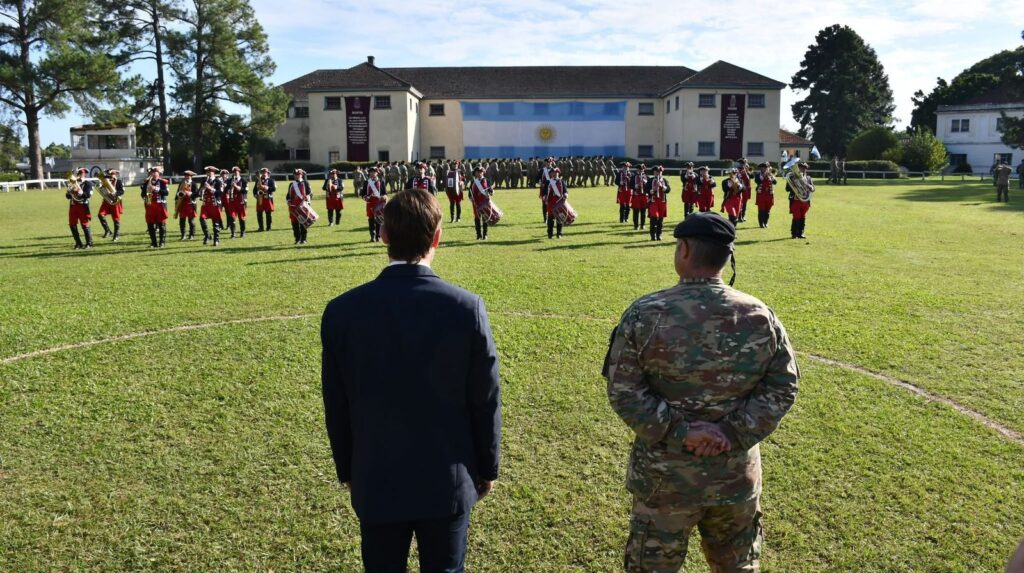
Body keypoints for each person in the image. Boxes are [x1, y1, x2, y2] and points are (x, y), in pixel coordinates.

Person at [603, 212, 799, 573]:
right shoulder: (759, 315)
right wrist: (732, 433)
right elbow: (783, 386)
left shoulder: (645, 314)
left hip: (664, 480)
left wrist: (680, 432)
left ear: (684, 249)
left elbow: (624, 390)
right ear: (727, 257)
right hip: (735, 477)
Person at [321, 189, 501, 573]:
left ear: (383, 234)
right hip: (447, 479)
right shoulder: (465, 308)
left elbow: (336, 404)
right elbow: (484, 399)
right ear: (437, 237)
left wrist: (349, 471)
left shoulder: (342, 312)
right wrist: (487, 468)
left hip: (376, 476)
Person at [66, 167, 94, 250]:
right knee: (72, 225)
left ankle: (89, 243)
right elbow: (67, 196)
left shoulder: (88, 183)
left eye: (81, 173)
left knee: (85, 225)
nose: (78, 175)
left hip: (82, 206)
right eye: (77, 174)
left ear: (84, 174)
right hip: (73, 205)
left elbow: (88, 195)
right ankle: (78, 243)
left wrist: (80, 192)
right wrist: (69, 192)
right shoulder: (72, 183)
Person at [141, 166, 169, 248]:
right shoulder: (147, 182)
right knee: (150, 225)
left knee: (161, 224)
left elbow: (166, 193)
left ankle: (162, 243)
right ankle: (154, 243)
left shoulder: (163, 182)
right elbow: (142, 194)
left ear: (158, 174)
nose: (154, 174)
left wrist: (155, 189)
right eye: (152, 172)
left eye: (155, 172)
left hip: (160, 205)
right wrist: (145, 195)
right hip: (150, 206)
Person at [96, 169, 125, 241]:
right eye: (110, 174)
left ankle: (116, 235)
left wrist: (115, 193)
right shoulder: (105, 181)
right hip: (106, 201)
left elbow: (122, 191)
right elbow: (102, 190)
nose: (112, 176)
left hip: (116, 201)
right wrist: (100, 186)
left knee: (116, 219)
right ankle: (107, 231)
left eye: (113, 174)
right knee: (100, 215)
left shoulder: (119, 181)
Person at [787, 162, 814, 239]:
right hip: (796, 200)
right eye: (801, 168)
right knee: (796, 216)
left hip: (805, 201)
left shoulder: (808, 178)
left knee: (803, 216)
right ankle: (794, 234)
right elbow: (787, 189)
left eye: (804, 168)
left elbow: (813, 189)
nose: (803, 169)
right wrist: (794, 184)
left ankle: (800, 233)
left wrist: (810, 187)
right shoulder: (792, 177)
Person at [359, 166, 387, 242]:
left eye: (374, 172)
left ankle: (378, 236)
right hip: (370, 204)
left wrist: (384, 197)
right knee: (371, 220)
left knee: (379, 220)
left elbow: (385, 193)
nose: (372, 173)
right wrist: (366, 197)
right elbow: (363, 194)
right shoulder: (366, 182)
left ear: (377, 173)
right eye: (371, 172)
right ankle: (372, 235)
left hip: (379, 204)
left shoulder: (381, 181)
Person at [287, 168, 313, 244]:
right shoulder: (291, 184)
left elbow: (310, 193)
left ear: (302, 175)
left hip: (303, 206)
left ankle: (303, 239)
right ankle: (297, 239)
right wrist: (288, 201)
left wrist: (308, 197)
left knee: (303, 223)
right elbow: (288, 196)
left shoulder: (306, 183)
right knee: (294, 224)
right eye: (296, 174)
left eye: (299, 174)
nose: (297, 176)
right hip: (294, 206)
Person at [198, 166, 223, 246]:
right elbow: (199, 192)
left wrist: (210, 188)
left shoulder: (218, 181)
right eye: (207, 172)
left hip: (214, 204)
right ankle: (207, 235)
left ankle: (216, 240)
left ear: (213, 173)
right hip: (205, 204)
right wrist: (202, 188)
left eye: (210, 172)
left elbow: (220, 192)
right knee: (202, 219)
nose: (208, 173)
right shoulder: (204, 181)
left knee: (215, 222)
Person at [645, 165, 671, 241]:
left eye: (659, 172)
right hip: (653, 201)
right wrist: (652, 190)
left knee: (660, 219)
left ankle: (659, 234)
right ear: (654, 172)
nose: (658, 173)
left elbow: (668, 189)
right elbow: (646, 189)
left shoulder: (664, 180)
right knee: (654, 218)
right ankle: (653, 235)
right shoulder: (651, 180)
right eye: (656, 172)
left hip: (662, 201)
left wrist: (663, 186)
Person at [469, 165, 493, 241]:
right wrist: (471, 198)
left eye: (481, 172)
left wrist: (491, 191)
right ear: (475, 173)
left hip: (485, 202)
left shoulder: (487, 180)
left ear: (483, 172)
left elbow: (491, 191)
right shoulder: (473, 181)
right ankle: (478, 235)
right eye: (478, 172)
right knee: (477, 219)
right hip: (476, 203)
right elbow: (470, 192)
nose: (479, 173)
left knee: (485, 218)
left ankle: (485, 235)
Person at [545, 167, 569, 239]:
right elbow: (544, 192)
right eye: (552, 173)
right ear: (550, 174)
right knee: (550, 219)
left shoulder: (561, 181)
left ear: (558, 173)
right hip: (550, 203)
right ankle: (550, 234)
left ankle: (559, 234)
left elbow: (565, 191)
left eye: (555, 173)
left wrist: (566, 194)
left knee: (560, 219)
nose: (554, 174)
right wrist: (544, 198)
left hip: (559, 203)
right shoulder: (548, 182)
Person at [174, 170, 198, 241]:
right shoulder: (181, 183)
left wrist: (190, 193)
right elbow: (177, 193)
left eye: (188, 176)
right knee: (182, 220)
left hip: (191, 204)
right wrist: (176, 201)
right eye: (186, 176)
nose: (187, 177)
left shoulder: (194, 184)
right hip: (182, 204)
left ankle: (192, 235)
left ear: (191, 176)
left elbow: (197, 194)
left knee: (191, 221)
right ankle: (183, 235)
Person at [227, 166, 248, 237]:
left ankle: (243, 232)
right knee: (232, 217)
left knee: (241, 217)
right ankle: (233, 233)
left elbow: (245, 191)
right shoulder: (230, 180)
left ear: (239, 172)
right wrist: (228, 188)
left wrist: (236, 186)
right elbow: (226, 189)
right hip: (232, 201)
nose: (235, 173)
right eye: (234, 172)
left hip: (240, 201)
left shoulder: (243, 180)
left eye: (237, 171)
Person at [754, 162, 777, 229]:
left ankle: (766, 222)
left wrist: (772, 177)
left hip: (769, 195)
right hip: (761, 195)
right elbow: (757, 181)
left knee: (767, 210)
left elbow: (775, 182)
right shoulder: (758, 175)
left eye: (765, 168)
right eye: (763, 168)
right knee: (761, 210)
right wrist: (764, 175)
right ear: (761, 168)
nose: (764, 169)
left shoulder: (770, 175)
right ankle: (761, 224)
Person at [254, 167, 275, 231]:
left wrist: (267, 188)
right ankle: (261, 227)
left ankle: (268, 227)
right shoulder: (258, 180)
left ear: (267, 173)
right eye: (263, 172)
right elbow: (254, 189)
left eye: (265, 172)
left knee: (268, 214)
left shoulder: (271, 180)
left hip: (268, 198)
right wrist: (255, 195)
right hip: (260, 198)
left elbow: (274, 189)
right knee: (259, 213)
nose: (264, 174)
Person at [631, 163, 649, 230]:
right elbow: (630, 185)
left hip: (644, 196)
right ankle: (636, 225)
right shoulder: (633, 177)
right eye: (639, 169)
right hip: (636, 196)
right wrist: (635, 186)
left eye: (642, 169)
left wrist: (645, 182)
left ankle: (642, 225)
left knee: (643, 211)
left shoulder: (647, 177)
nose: (641, 171)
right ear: (637, 170)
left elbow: (649, 186)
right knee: (636, 211)